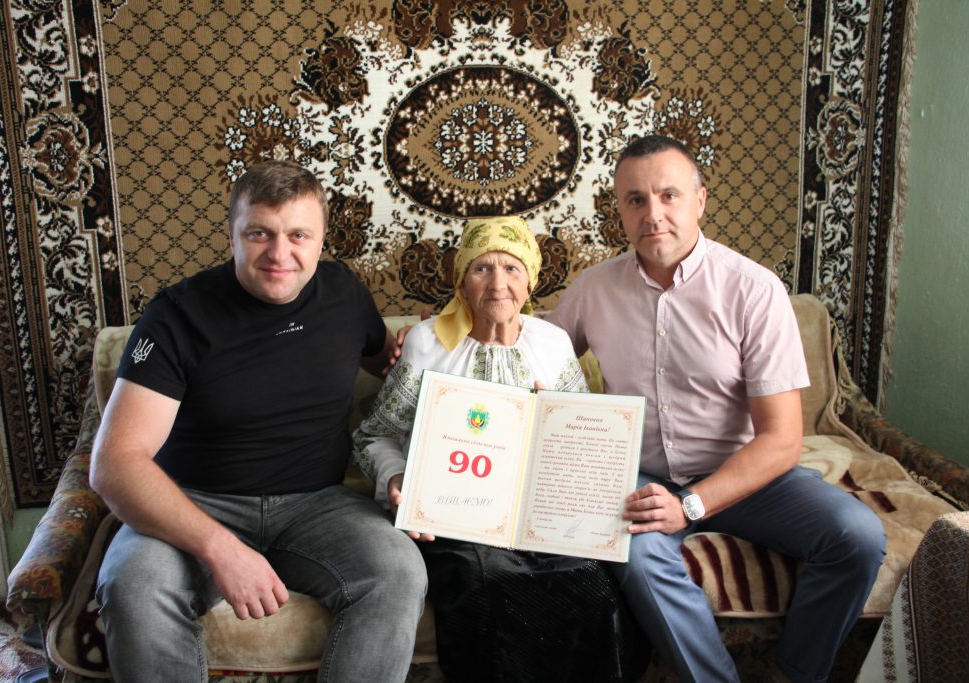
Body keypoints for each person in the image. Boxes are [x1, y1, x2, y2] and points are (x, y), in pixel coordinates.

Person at [545, 135, 887, 683]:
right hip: (641, 476)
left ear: (699, 200)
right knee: (638, 558)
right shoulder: (593, 289)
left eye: (669, 195)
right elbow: (526, 357)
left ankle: (797, 674)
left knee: (857, 536)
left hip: (745, 475)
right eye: (635, 200)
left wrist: (692, 505)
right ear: (620, 211)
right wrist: (434, 341)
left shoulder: (754, 290)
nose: (653, 214)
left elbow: (781, 440)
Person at [89, 160, 427, 683]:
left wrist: (421, 349)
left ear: (321, 240)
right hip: (195, 502)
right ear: (232, 237)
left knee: (398, 571)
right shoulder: (177, 316)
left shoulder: (344, 294)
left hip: (319, 504)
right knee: (133, 585)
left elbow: (387, 361)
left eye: (298, 235)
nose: (279, 253)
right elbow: (115, 464)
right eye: (259, 234)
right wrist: (221, 548)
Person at [353, 216, 648, 682]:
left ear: (530, 281)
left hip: (541, 521)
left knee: (593, 584)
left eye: (511, 268)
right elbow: (374, 436)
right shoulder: (428, 344)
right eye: (481, 268)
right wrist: (396, 477)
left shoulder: (552, 344)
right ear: (461, 283)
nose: (497, 284)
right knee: (485, 582)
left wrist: (554, 419)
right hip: (453, 522)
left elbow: (584, 444)